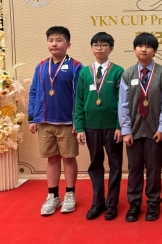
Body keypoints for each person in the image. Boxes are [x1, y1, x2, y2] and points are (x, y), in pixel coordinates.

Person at [27, 26, 83, 216]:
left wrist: (78, 121)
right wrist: (32, 118)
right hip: (45, 122)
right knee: (52, 159)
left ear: (68, 44)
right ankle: (53, 195)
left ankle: (70, 194)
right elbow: (34, 91)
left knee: (68, 158)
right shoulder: (41, 66)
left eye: (59, 40)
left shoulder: (76, 66)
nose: (54, 44)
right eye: (51, 40)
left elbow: (80, 95)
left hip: (67, 123)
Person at [119, 32, 162, 222]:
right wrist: (126, 130)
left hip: (154, 131)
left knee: (153, 168)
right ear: (134, 50)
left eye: (148, 46)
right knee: (134, 168)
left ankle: (153, 203)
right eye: (140, 46)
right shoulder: (127, 74)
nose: (144, 49)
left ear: (155, 51)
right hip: (133, 130)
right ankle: (134, 203)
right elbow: (123, 104)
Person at [74, 32, 125, 221]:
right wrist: (80, 127)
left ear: (111, 48)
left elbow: (123, 102)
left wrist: (120, 126)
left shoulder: (119, 71)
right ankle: (97, 202)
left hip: (112, 127)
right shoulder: (84, 73)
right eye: (95, 45)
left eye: (103, 45)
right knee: (95, 164)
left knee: (115, 164)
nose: (99, 48)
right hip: (91, 126)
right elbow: (79, 101)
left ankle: (112, 203)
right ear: (91, 48)